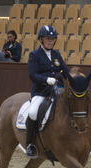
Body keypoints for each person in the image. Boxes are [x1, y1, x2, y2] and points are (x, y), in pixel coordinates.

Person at [25, 25, 69, 158]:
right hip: (41, 91)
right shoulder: (35, 55)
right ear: (41, 40)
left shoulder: (57, 55)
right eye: (47, 38)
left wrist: (74, 79)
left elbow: (65, 72)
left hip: (58, 91)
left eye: (52, 39)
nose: (50, 41)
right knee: (32, 113)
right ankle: (31, 144)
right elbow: (32, 75)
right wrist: (46, 80)